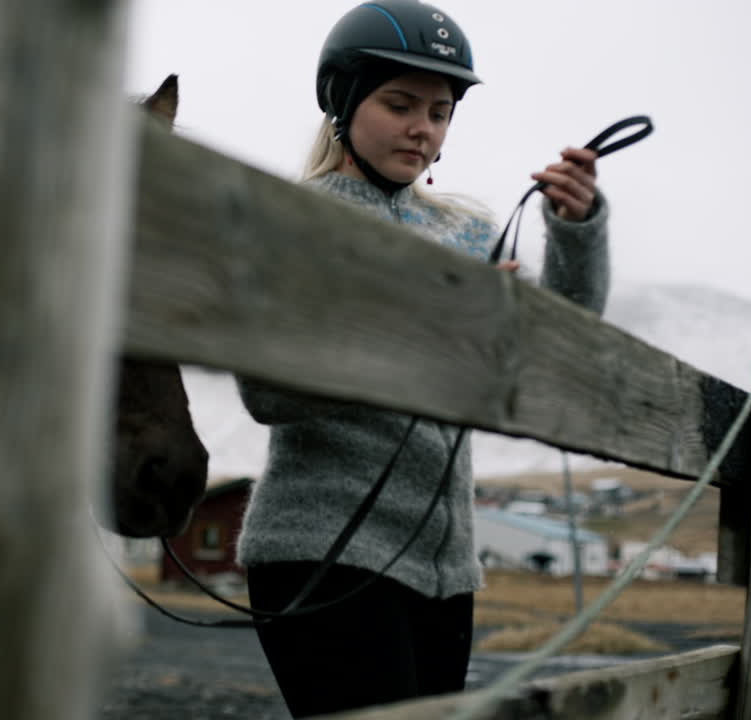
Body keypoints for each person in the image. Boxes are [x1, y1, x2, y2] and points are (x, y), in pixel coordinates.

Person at [234, 1, 611, 716]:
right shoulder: (293, 219)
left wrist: (575, 230)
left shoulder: (469, 233)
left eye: (440, 113)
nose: (423, 128)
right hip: (321, 552)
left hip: (445, 570)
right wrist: (427, 327)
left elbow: (557, 352)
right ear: (342, 100)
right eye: (400, 104)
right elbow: (268, 393)